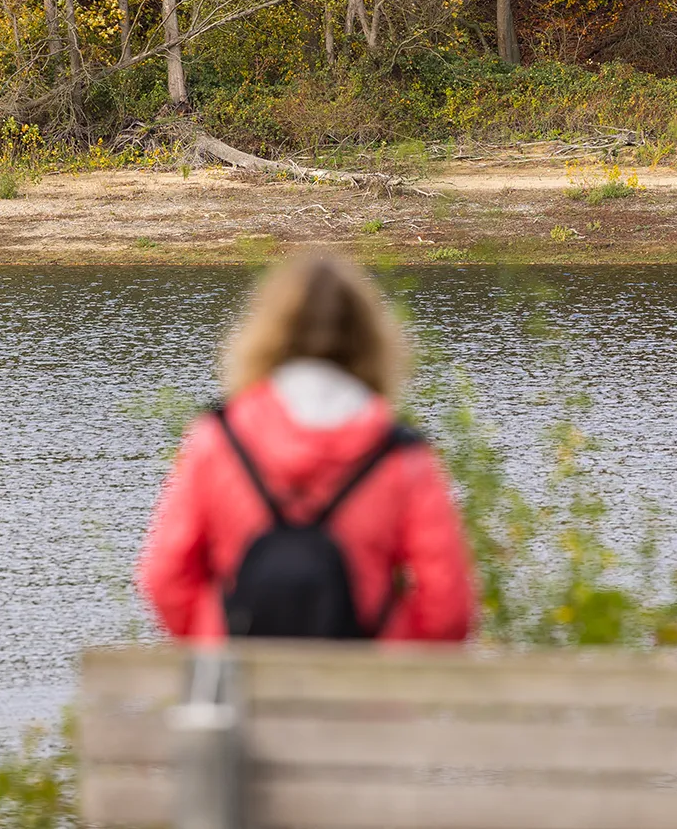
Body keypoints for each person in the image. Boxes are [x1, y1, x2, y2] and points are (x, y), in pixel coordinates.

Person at [138, 252, 475, 642]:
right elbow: (448, 607)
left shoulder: (217, 440)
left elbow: (163, 577)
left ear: (265, 334)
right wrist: (390, 658)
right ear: (372, 339)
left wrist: (216, 637)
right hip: (364, 686)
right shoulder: (401, 456)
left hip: (240, 687)